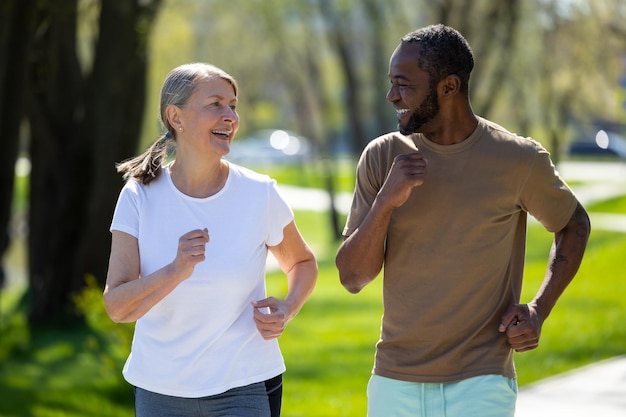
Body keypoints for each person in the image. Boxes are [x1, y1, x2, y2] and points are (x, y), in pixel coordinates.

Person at [335, 24, 590, 417]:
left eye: (403, 84)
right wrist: (386, 201)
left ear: (448, 87)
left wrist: (539, 308)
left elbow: (574, 224)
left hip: (481, 381)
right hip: (393, 381)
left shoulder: (517, 159)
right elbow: (353, 278)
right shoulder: (382, 156)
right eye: (391, 83)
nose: (391, 96)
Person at [103, 63, 318, 417]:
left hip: (245, 383)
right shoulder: (139, 196)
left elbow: (302, 262)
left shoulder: (258, 193)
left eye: (233, 105)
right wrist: (176, 270)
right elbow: (118, 305)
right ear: (176, 117)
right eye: (215, 104)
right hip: (161, 389)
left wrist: (288, 307)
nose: (230, 116)